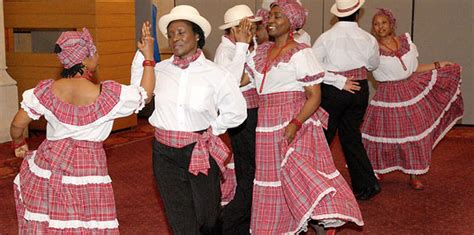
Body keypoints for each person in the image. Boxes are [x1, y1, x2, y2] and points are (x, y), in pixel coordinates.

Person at [10, 23, 156, 233]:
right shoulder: (108, 94)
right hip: (90, 166)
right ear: (86, 59)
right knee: (88, 222)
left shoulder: (46, 91)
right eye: (94, 52)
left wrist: (19, 142)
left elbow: (17, 123)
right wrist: (148, 57)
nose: (98, 56)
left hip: (52, 161)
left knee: (55, 218)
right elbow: (145, 93)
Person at [247, 1, 363, 233]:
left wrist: (295, 124)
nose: (270, 20)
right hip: (267, 123)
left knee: (296, 175)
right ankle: (286, 227)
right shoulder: (260, 52)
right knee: (273, 181)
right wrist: (241, 45)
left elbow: (314, 96)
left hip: (294, 120)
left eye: (278, 16)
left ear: (293, 22)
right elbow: (242, 82)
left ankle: (318, 220)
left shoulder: (301, 52)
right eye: (270, 16)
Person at [130, 5, 247, 234]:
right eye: (171, 34)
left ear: (197, 36)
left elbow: (237, 111)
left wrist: (213, 129)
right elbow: (139, 96)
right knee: (179, 216)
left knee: (209, 218)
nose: (175, 38)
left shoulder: (216, 74)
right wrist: (144, 56)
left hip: (199, 148)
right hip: (164, 152)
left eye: (181, 32)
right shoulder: (160, 70)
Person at [361, 8, 463, 190]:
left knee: (413, 134)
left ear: (391, 24)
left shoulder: (405, 42)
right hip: (386, 95)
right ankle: (376, 170)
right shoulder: (371, 48)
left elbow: (415, 68)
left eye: (383, 22)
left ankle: (413, 174)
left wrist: (439, 64)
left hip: (408, 92)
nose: (380, 27)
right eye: (376, 24)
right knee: (382, 134)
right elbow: (362, 67)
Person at [312, 0, 381, 200]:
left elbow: (314, 66)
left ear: (337, 14)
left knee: (324, 137)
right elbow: (372, 65)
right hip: (359, 88)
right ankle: (366, 186)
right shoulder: (368, 38)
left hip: (333, 90)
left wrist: (339, 80)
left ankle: (316, 184)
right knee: (351, 136)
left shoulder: (326, 37)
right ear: (358, 14)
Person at [214, 4, 261, 234]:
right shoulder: (228, 50)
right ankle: (230, 221)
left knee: (249, 167)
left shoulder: (245, 46)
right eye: (247, 27)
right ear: (235, 30)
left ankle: (241, 220)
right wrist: (243, 46)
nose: (252, 31)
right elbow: (232, 81)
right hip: (242, 115)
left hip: (251, 111)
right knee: (250, 168)